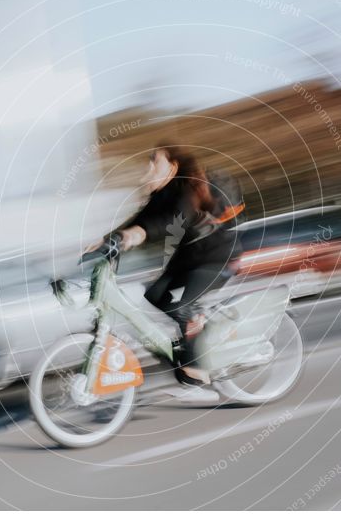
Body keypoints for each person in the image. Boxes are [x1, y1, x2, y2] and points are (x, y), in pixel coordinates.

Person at [90, 142, 243, 387]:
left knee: (182, 305)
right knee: (156, 295)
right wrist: (109, 239)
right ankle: (195, 339)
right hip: (189, 261)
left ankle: (197, 375)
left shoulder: (187, 193)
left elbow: (170, 221)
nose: (149, 168)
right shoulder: (161, 196)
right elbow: (140, 221)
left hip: (216, 258)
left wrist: (136, 234)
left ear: (173, 168)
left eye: (155, 162)